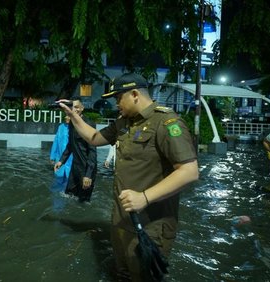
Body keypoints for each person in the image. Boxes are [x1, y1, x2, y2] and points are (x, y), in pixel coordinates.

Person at [57, 73, 199, 281]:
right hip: (121, 220)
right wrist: (74, 115)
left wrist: (145, 197)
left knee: (142, 276)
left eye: (118, 98)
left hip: (150, 226)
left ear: (134, 94)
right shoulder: (124, 122)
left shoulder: (166, 122)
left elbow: (189, 171)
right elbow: (95, 139)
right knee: (121, 273)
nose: (116, 104)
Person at [54, 97, 97, 202]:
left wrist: (88, 175)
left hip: (86, 168)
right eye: (74, 107)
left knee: (83, 202)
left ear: (82, 108)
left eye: (78, 107)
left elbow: (92, 151)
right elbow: (70, 144)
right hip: (75, 168)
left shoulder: (89, 124)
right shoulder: (72, 123)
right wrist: (61, 161)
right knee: (68, 196)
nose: (76, 110)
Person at [50, 115, 73, 187]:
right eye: (65, 115)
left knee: (69, 184)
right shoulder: (60, 127)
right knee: (57, 183)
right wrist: (52, 157)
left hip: (71, 160)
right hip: (59, 159)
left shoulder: (76, 128)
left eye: (69, 116)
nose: (67, 117)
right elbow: (56, 142)